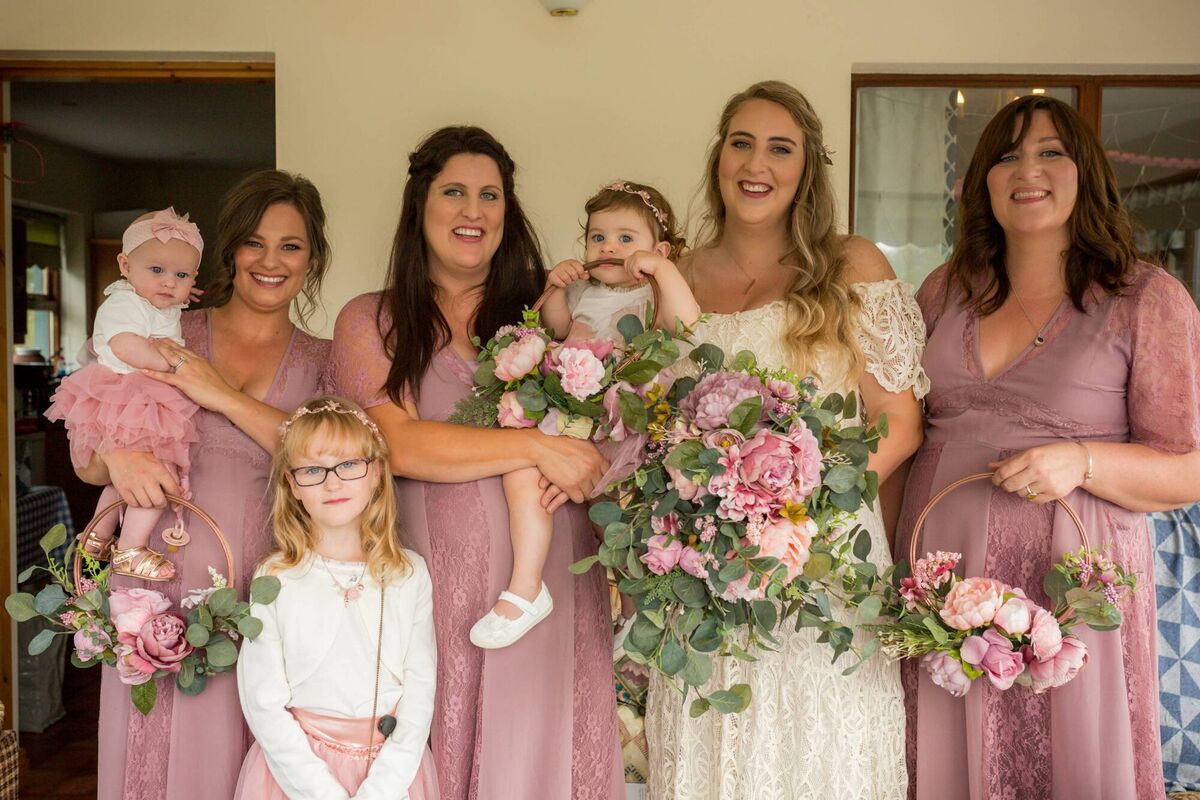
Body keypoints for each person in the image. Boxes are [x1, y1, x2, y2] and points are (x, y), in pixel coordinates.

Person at [897, 94, 1200, 800]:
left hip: (1069, 593)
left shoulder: (1144, 299)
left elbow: (1190, 469)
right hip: (944, 592)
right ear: (982, 183)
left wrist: (1083, 460)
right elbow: (904, 431)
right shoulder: (943, 292)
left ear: (1086, 172)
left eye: (1049, 152)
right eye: (1005, 155)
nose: (1025, 170)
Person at [644, 80, 927, 799]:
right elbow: (658, 422)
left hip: (826, 564)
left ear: (807, 169)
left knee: (821, 757)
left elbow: (899, 422)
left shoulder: (852, 265)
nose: (756, 163)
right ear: (718, 158)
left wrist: (798, 516)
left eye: (780, 147)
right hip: (705, 570)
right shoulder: (677, 277)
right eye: (741, 142)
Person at [329, 125, 624, 800]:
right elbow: (394, 443)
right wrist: (533, 446)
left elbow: (608, 434)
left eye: (489, 195)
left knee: (541, 757)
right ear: (419, 207)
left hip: (547, 587)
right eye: (454, 191)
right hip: (434, 600)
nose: (473, 210)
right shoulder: (370, 320)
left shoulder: (551, 317)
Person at [78, 170, 334, 800]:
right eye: (254, 242)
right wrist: (118, 458)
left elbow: (328, 459)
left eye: (291, 246)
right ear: (229, 251)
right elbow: (86, 455)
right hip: (155, 583)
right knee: (155, 749)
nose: (270, 261)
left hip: (269, 591)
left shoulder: (327, 359)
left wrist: (217, 394)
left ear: (313, 258)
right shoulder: (165, 333)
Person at [468, 179, 700, 650]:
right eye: (598, 237)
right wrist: (555, 288)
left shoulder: (653, 293)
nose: (609, 247)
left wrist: (661, 269)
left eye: (625, 238)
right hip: (572, 417)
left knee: (619, 521)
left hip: (628, 424)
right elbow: (546, 331)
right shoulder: (582, 293)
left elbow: (685, 324)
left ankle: (636, 613)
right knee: (520, 471)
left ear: (658, 249)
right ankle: (527, 585)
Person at [234, 396, 439, 800]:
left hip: (391, 776)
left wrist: (383, 788)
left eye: (348, 465)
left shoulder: (408, 574)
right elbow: (262, 699)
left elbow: (420, 689)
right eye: (313, 469)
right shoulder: (276, 577)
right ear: (293, 485)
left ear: (376, 472)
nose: (332, 482)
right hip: (296, 778)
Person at [46, 208, 204, 581]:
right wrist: (175, 366)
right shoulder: (123, 303)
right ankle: (131, 548)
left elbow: (167, 298)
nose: (169, 283)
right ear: (124, 265)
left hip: (133, 397)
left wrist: (179, 293)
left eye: (181, 276)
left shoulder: (153, 298)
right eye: (157, 271)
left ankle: (97, 537)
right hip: (128, 393)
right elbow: (125, 345)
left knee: (125, 480)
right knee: (159, 474)